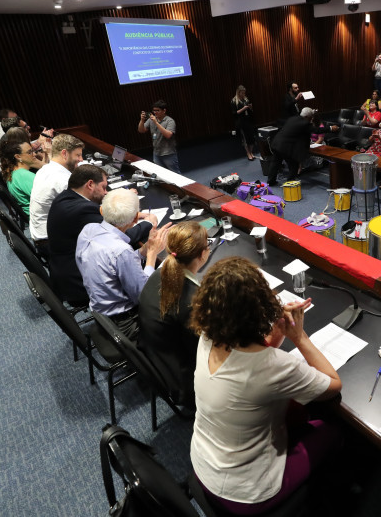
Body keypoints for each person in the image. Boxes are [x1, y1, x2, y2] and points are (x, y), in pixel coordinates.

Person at [189, 257, 342, 515]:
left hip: (203, 464)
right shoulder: (273, 365)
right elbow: (333, 385)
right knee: (332, 430)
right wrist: (299, 337)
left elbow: (251, 353)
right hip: (248, 493)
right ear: (261, 307)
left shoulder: (207, 336)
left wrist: (278, 332)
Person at [47, 165, 154, 305]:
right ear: (90, 184)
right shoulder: (83, 210)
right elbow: (121, 234)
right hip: (77, 281)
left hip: (62, 269)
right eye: (104, 187)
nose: (105, 193)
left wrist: (134, 214)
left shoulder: (66, 197)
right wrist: (148, 223)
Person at [76, 188, 171, 339]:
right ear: (135, 220)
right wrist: (152, 255)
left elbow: (112, 264)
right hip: (126, 323)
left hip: (102, 315)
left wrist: (142, 251)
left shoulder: (88, 230)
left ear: (101, 210)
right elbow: (144, 295)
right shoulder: (120, 251)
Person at [137, 221, 210, 403]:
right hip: (185, 383)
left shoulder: (158, 274)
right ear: (203, 254)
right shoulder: (192, 302)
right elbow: (207, 351)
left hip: (159, 362)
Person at [28, 133, 85, 254]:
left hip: (40, 235)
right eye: (78, 155)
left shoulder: (45, 169)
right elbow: (85, 207)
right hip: (50, 242)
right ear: (64, 154)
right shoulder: (62, 179)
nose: (81, 160)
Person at [268, 107, 314, 186]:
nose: (311, 119)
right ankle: (290, 183)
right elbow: (316, 130)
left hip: (276, 143)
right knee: (293, 165)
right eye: (311, 117)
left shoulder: (292, 118)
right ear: (307, 117)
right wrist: (330, 128)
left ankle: (271, 181)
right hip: (285, 147)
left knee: (275, 163)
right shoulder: (305, 123)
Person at [0, 136, 43, 215]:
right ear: (18, 157)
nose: (34, 154)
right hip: (42, 217)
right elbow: (48, 198)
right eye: (29, 152)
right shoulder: (23, 176)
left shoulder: (15, 172)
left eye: (32, 151)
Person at [138, 100, 179, 173]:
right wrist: (142, 120)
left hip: (168, 153)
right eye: (154, 110)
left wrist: (156, 123)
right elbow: (141, 130)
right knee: (161, 174)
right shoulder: (151, 120)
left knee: (175, 173)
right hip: (156, 153)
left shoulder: (169, 121)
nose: (155, 112)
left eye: (158, 110)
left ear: (164, 111)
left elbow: (168, 135)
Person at [231, 85, 257, 161]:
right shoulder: (234, 101)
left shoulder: (246, 99)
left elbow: (250, 111)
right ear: (238, 92)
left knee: (251, 137)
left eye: (244, 93)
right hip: (241, 122)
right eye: (242, 93)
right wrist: (243, 108)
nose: (243, 94)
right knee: (245, 138)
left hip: (248, 120)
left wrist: (250, 108)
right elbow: (234, 113)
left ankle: (251, 152)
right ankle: (248, 153)